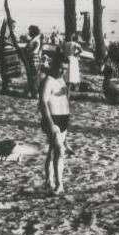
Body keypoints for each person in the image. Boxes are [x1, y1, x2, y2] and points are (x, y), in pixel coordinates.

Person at [38, 52, 71, 195]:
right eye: (61, 68)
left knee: (52, 153)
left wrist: (67, 136)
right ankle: (59, 185)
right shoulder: (48, 81)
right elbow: (43, 103)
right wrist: (50, 123)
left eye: (65, 69)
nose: (63, 71)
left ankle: (48, 181)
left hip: (63, 121)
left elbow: (65, 101)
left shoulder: (62, 81)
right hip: (52, 120)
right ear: (54, 66)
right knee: (59, 151)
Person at [26, 25, 43, 98]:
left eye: (30, 31)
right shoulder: (33, 40)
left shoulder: (36, 40)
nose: (29, 32)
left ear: (33, 32)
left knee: (34, 75)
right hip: (31, 58)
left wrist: (27, 51)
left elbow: (33, 50)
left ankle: (35, 92)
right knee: (31, 74)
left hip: (34, 58)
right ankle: (32, 91)